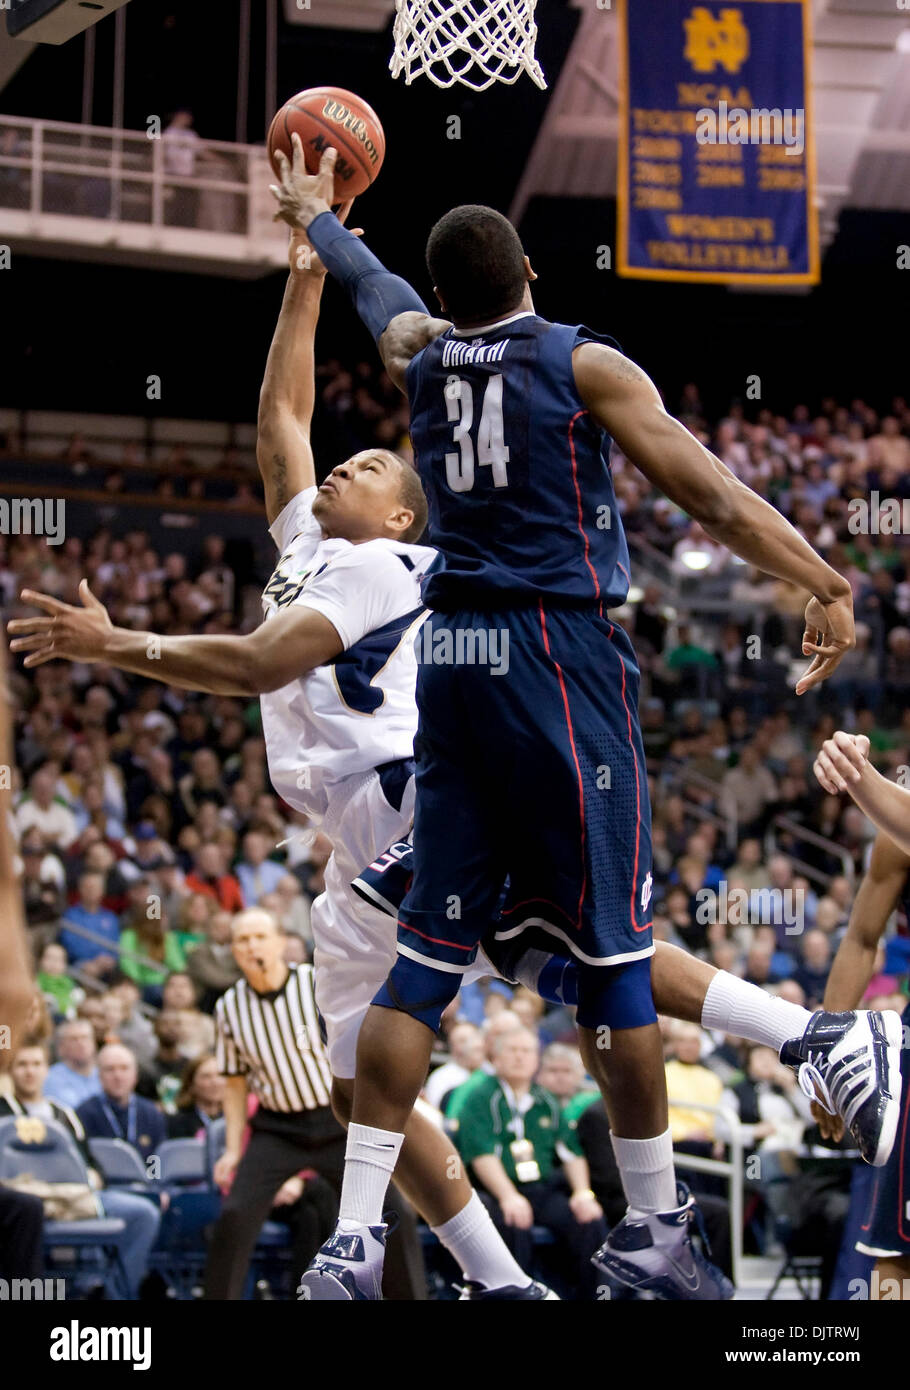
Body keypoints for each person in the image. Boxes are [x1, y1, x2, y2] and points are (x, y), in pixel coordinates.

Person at [264, 139, 893, 1302]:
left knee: (421, 963)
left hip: (452, 669)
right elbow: (706, 492)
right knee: (608, 948)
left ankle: (353, 1244)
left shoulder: (422, 357)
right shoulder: (584, 361)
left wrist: (320, 222)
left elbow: (377, 299)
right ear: (532, 282)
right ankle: (660, 1218)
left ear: (450, 300)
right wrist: (824, 577)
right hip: (559, 659)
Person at [9, 216, 552, 1300]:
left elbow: (256, 668)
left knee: (570, 973)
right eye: (339, 466)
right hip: (349, 832)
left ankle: (800, 1030)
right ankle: (504, 1285)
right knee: (362, 1094)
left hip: (402, 804)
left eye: (365, 466)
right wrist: (303, 275)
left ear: (401, 509)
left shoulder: (398, 560)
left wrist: (119, 645)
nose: (336, 468)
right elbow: (282, 420)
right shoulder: (312, 549)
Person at [452, 1026, 607, 1299]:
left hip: (538, 1188)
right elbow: (481, 1155)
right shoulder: (481, 1096)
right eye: (513, 1051)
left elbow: (571, 1153)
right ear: (496, 1058)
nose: (520, 1057)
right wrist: (508, 1196)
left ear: (536, 1060)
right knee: (512, 1222)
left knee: (589, 1221)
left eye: (527, 1051)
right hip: (493, 1190)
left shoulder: (544, 1099)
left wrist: (583, 1193)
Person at [1, 1041, 161, 1299]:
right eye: (22, 1065)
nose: (30, 1072)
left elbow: (151, 1157)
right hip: (29, 1197)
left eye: (36, 1064)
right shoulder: (88, 1111)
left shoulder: (68, 1114)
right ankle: (82, 1287)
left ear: (47, 1070)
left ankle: (114, 1293)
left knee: (144, 1213)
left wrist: (153, 1181)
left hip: (78, 1194)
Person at [77, 1044, 166, 1167]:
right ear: (99, 1075)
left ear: (135, 1075)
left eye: (124, 1068)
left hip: (147, 1182)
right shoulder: (84, 1113)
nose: (118, 1076)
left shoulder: (151, 1113)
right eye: (110, 1069)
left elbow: (161, 1161)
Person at [44, 1018, 102, 1109]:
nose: (81, 1043)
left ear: (94, 1043)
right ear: (61, 1047)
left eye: (85, 1037)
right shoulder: (50, 1077)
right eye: (74, 1039)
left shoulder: (105, 1073)